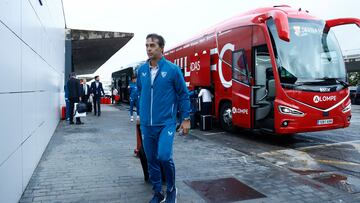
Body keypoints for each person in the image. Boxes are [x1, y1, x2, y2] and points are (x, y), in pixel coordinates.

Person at [137, 33, 190, 203]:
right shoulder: (141, 71)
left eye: (152, 45)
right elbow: (141, 93)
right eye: (146, 45)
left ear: (161, 48)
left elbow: (183, 95)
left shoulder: (173, 70)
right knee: (151, 159)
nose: (148, 49)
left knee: (164, 156)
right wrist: (140, 114)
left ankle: (172, 190)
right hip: (146, 124)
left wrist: (185, 118)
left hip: (166, 123)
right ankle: (158, 192)